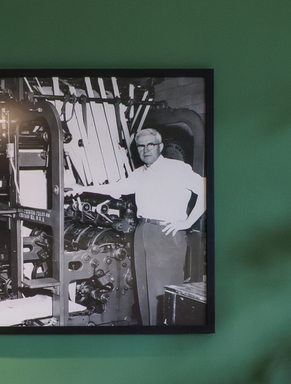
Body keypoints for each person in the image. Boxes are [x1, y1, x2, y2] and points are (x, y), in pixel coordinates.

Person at [67, 126, 206, 326]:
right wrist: (82, 189)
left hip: (166, 233)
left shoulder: (177, 168)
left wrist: (187, 222)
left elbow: (206, 188)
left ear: (161, 146)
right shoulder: (139, 173)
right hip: (142, 231)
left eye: (151, 145)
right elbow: (116, 188)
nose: (146, 150)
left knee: (161, 293)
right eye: (141, 146)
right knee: (143, 292)